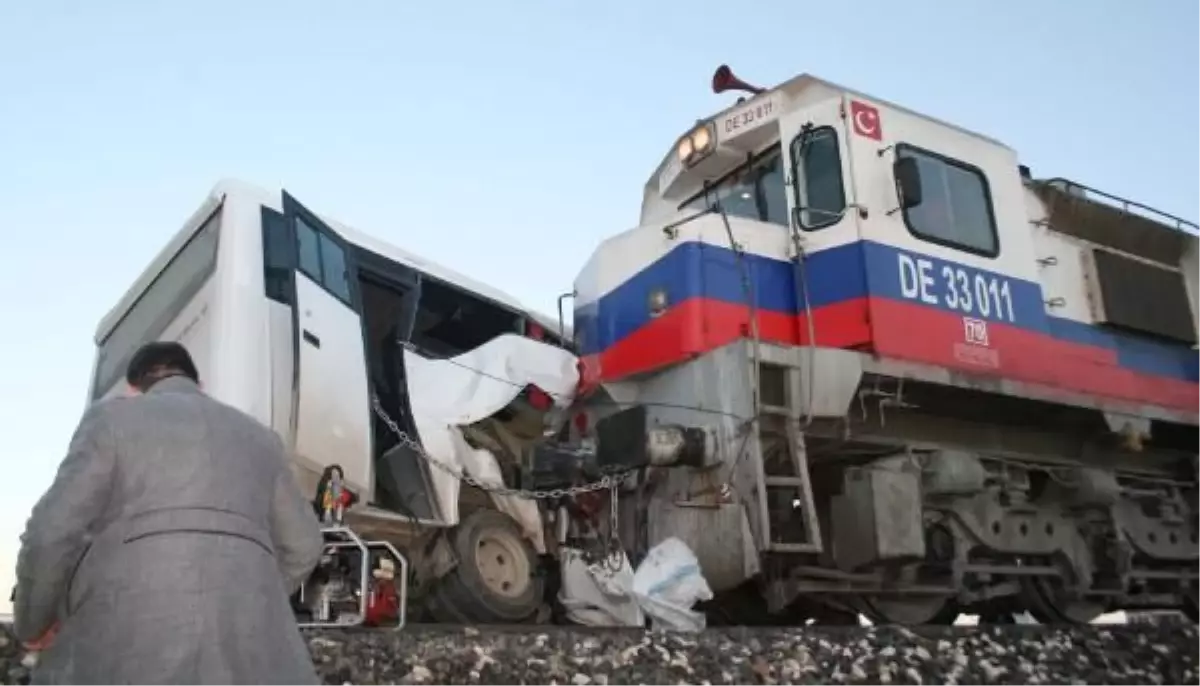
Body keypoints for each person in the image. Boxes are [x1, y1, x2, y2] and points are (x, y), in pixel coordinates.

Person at [13, 341, 325, 686]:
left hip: (120, 656)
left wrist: (32, 624)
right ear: (199, 384)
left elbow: (51, 532)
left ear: (133, 390)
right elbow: (305, 545)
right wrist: (249, 598)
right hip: (255, 665)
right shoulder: (263, 438)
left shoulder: (112, 419)